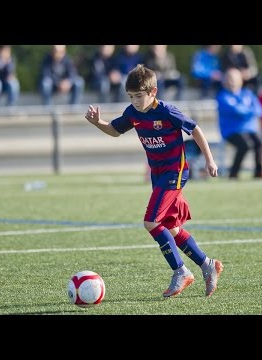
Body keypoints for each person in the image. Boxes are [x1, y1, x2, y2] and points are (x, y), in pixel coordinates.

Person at [84, 64, 223, 298]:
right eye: (131, 96)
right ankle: (208, 265)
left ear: (153, 91)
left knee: (150, 221)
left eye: (139, 96)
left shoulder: (167, 111)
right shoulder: (133, 113)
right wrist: (98, 123)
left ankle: (181, 271)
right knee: (171, 228)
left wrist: (210, 160)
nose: (135, 101)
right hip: (158, 174)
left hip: (175, 172)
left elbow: (195, 129)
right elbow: (116, 131)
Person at [217, 67, 262, 179]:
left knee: (260, 144)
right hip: (231, 131)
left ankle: (259, 173)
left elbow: (259, 110)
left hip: (249, 129)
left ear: (241, 80)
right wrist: (249, 111)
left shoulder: (247, 94)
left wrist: (245, 110)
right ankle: (233, 173)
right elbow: (237, 111)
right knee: (245, 145)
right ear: (224, 81)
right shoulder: (223, 96)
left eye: (234, 79)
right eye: (229, 78)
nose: (231, 81)